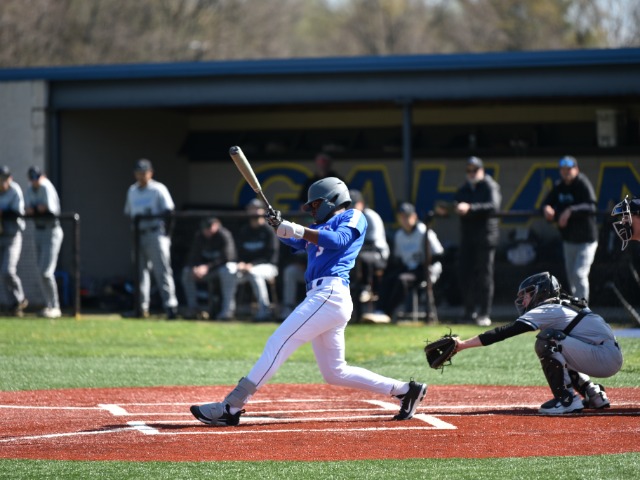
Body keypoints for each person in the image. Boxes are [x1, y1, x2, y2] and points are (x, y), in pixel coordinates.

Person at [190, 177, 427, 426]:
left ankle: (231, 406)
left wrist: (295, 228)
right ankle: (405, 390)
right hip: (322, 296)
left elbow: (338, 240)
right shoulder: (319, 227)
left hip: (330, 293)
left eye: (315, 204)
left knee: (278, 342)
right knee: (335, 372)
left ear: (332, 199)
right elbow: (297, 242)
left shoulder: (353, 216)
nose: (312, 210)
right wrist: (278, 226)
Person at [454, 271, 623, 415]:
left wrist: (462, 345)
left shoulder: (548, 308)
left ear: (541, 291)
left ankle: (567, 400)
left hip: (602, 356)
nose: (523, 301)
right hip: (607, 354)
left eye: (526, 294)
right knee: (559, 344)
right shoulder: (567, 304)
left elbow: (505, 332)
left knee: (548, 340)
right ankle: (593, 393)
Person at [361, 202, 443, 324]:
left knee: (402, 280)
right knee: (388, 279)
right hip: (408, 268)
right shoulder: (399, 235)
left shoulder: (424, 231)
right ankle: (379, 310)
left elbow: (438, 254)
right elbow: (399, 259)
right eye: (401, 217)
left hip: (426, 269)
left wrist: (420, 270)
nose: (404, 220)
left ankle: (387, 313)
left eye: (407, 217)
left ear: (414, 217)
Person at [124, 159, 178, 319]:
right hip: (138, 233)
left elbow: (170, 213)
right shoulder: (132, 190)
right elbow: (129, 213)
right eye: (138, 173)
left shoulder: (158, 189)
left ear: (150, 173)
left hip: (156, 233)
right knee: (139, 272)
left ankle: (170, 307)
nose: (141, 176)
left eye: (144, 172)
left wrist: (167, 236)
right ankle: (141, 308)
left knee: (162, 271)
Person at [542, 156, 598, 302]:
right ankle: (576, 307)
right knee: (572, 278)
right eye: (563, 169)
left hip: (586, 240)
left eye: (569, 169)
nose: (566, 172)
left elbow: (591, 206)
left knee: (579, 274)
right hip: (569, 240)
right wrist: (546, 208)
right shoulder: (559, 186)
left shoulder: (582, 183)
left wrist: (570, 210)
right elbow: (546, 203)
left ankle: (583, 309)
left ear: (576, 169)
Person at [454, 156, 501, 327]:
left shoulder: (490, 185)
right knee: (465, 274)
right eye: (469, 170)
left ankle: (484, 313)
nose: (472, 173)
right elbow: (456, 201)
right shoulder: (465, 188)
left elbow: (493, 206)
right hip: (468, 237)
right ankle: (469, 312)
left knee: (484, 276)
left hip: (485, 237)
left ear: (482, 170)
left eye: (475, 170)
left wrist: (471, 207)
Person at [219, 199, 279, 321]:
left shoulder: (269, 230)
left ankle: (264, 311)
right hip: (246, 267)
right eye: (251, 209)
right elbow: (238, 252)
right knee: (227, 270)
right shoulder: (244, 230)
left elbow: (271, 256)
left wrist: (252, 264)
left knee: (254, 272)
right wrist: (240, 263)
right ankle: (227, 310)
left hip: (268, 267)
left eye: (257, 209)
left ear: (263, 211)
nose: (254, 212)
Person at [24, 166, 64, 318]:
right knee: (40, 272)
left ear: (42, 176)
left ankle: (55, 307)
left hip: (51, 231)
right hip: (38, 231)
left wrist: (37, 209)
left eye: (37, 178)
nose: (35, 182)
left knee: (46, 272)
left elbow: (50, 210)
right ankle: (49, 305)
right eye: (32, 179)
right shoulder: (29, 188)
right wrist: (36, 209)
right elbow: (29, 210)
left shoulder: (47, 187)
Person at [181, 217, 237, 320]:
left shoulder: (224, 235)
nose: (206, 231)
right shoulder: (200, 236)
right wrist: (195, 267)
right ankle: (193, 308)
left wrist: (208, 267)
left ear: (216, 226)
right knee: (187, 272)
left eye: (209, 228)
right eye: (205, 229)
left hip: (219, 270)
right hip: (204, 271)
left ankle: (227, 311)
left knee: (227, 270)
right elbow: (193, 256)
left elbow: (227, 257)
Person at [348, 190, 390, 309]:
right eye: (349, 205)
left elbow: (371, 242)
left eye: (354, 205)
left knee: (360, 257)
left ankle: (366, 288)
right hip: (361, 252)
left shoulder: (370, 216)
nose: (351, 208)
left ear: (361, 204)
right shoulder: (350, 218)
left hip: (378, 254)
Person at [0, 166, 28, 317]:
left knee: (8, 271)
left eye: (3, 179)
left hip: (13, 236)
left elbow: (18, 212)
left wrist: (3, 212)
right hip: (0, 235)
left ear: (8, 179)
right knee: (2, 273)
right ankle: (14, 305)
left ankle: (20, 299)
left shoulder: (14, 190)